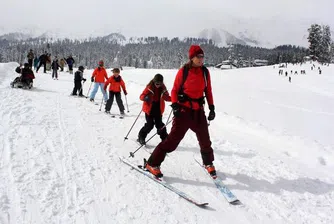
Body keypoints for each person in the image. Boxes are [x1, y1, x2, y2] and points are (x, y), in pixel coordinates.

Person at [145, 45, 216, 178]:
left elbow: (208, 91)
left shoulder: (205, 72)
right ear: (192, 58)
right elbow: (174, 90)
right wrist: (175, 106)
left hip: (198, 111)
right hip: (183, 111)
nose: (201, 59)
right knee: (172, 141)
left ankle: (208, 163)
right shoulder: (183, 72)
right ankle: (152, 163)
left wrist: (212, 108)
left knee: (205, 139)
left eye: (202, 56)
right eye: (198, 57)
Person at [137, 74, 171, 145]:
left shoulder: (163, 89)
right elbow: (141, 96)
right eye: (156, 83)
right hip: (149, 109)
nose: (158, 85)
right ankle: (141, 137)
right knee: (149, 125)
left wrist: (175, 99)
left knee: (160, 125)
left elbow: (167, 97)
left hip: (158, 109)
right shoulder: (149, 87)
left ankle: (165, 138)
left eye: (160, 83)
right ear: (154, 81)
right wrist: (145, 98)